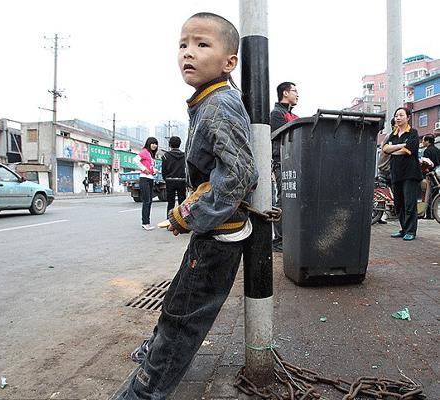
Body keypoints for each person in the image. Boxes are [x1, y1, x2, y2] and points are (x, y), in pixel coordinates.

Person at [123, 12, 258, 400]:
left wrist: (187, 214)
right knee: (178, 302)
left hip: (221, 235)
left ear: (229, 61)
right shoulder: (206, 101)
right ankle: (153, 352)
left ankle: (146, 390)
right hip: (212, 230)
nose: (188, 53)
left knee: (183, 320)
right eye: (183, 44)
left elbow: (239, 174)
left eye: (202, 45)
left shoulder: (219, 104)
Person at [383, 107, 422, 241]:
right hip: (396, 173)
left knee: (410, 204)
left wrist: (393, 149)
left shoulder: (413, 133)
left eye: (401, 115)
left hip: (410, 174)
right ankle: (404, 228)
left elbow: (408, 150)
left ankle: (411, 231)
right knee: (398, 204)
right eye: (396, 115)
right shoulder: (393, 135)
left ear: (408, 117)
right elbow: (385, 148)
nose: (398, 118)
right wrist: (400, 146)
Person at [270, 82, 299, 252]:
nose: (297, 94)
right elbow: (279, 138)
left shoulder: (291, 115)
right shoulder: (277, 114)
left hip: (293, 162)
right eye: (295, 91)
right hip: (282, 162)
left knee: (291, 198)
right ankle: (278, 240)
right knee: (282, 198)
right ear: (285, 93)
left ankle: (287, 236)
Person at [375, 118, 396, 224]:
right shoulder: (391, 137)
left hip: (384, 169)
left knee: (384, 195)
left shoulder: (389, 137)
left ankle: (380, 216)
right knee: (383, 194)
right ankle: (380, 216)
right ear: (393, 126)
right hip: (387, 170)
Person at [136, 137, 158, 231]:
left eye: (156, 144)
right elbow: (135, 160)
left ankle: (147, 222)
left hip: (150, 178)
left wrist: (154, 170)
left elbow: (150, 166)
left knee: (149, 201)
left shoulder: (150, 154)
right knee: (147, 201)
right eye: (153, 143)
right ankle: (145, 222)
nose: (154, 145)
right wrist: (144, 169)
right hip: (144, 178)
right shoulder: (144, 151)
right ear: (148, 143)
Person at [161, 136, 186, 216]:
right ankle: (182, 222)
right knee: (182, 202)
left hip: (170, 181)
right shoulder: (185, 156)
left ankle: (169, 221)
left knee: (170, 202)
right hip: (182, 180)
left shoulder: (165, 156)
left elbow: (163, 171)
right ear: (179, 144)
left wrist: (166, 179)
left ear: (170, 144)